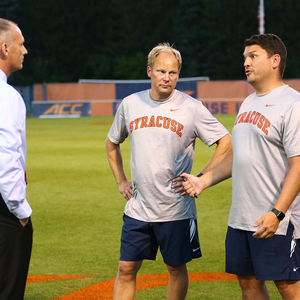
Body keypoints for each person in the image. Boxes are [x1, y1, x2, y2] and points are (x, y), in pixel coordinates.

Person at [178, 33, 300, 300]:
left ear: (275, 60)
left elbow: (298, 166)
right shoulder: (248, 102)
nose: (246, 62)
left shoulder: (293, 105)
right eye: (245, 57)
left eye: (253, 56)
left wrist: (277, 213)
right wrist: (203, 180)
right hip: (241, 218)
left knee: (289, 286)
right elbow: (239, 155)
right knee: (248, 283)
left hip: (277, 219)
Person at [106, 42, 232, 300]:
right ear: (149, 71)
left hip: (176, 209)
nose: (167, 77)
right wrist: (120, 180)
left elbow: (226, 142)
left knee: (175, 268)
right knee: (126, 267)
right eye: (161, 71)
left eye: (173, 72)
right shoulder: (130, 105)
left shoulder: (191, 107)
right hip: (138, 207)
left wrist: (200, 178)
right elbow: (111, 143)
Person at [0, 18, 33, 299]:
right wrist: (20, 210)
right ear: (4, 48)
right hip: (4, 211)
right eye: (20, 45)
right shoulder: (7, 97)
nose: (25, 51)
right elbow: (6, 157)